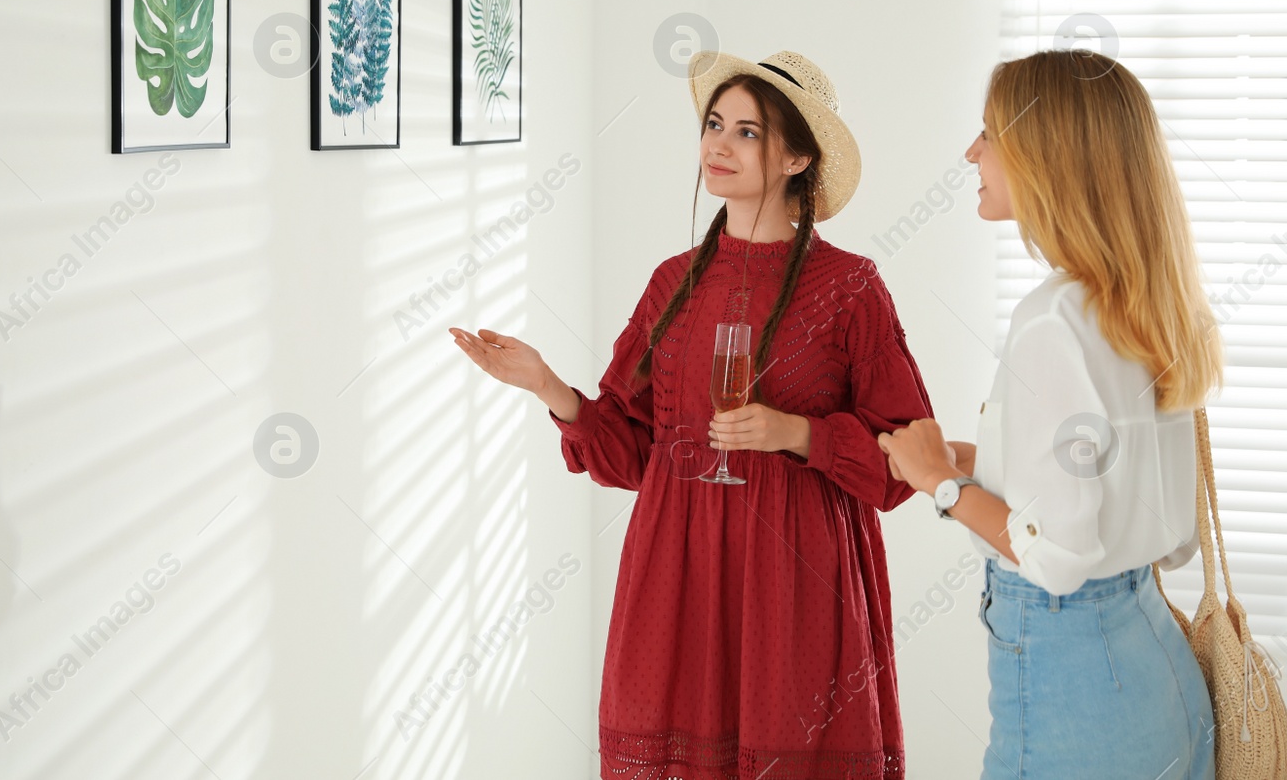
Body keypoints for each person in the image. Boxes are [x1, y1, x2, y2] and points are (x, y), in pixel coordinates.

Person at [452, 50, 932, 779]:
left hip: (798, 579)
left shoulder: (852, 288)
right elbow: (633, 452)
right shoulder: (672, 283)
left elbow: (905, 464)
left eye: (746, 131)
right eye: (714, 124)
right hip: (677, 575)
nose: (717, 144)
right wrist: (548, 385)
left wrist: (796, 433)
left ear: (798, 156)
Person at [878, 48, 1220, 780]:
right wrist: (982, 460)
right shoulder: (1156, 309)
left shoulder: (1053, 322)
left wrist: (941, 482)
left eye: (989, 134)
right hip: (1160, 674)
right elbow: (1156, 520)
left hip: (1077, 690)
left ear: (1047, 157)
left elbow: (1057, 560)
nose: (971, 152)